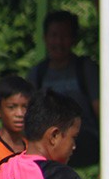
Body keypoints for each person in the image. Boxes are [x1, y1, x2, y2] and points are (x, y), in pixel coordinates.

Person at [27, 10, 100, 168]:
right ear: (45, 38)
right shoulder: (38, 73)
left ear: (73, 39)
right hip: (48, 139)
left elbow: (101, 111)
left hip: (84, 139)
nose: (59, 42)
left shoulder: (85, 68)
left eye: (65, 36)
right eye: (54, 35)